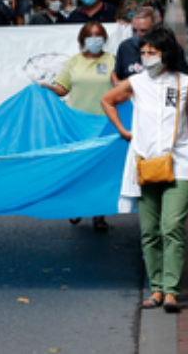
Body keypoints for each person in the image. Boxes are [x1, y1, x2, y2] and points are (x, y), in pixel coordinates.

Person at [101, 27, 188, 313]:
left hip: (179, 161)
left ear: (165, 53)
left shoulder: (185, 83)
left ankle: (170, 292)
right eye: (143, 53)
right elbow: (108, 100)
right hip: (144, 163)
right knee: (150, 231)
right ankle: (155, 289)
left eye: (151, 53)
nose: (146, 57)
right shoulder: (136, 82)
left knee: (172, 228)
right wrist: (123, 130)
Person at [41, 21, 114, 232]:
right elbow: (63, 88)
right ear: (82, 40)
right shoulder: (74, 62)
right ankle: (77, 207)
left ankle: (99, 214)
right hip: (76, 124)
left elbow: (120, 87)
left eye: (98, 34)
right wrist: (48, 88)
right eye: (90, 35)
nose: (94, 39)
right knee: (78, 168)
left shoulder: (111, 60)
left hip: (103, 123)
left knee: (100, 170)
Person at [113, 8, 188, 85]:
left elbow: (183, 78)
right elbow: (117, 74)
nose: (138, 34)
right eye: (134, 30)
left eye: (143, 31)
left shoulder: (172, 48)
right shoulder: (125, 47)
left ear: (155, 29)